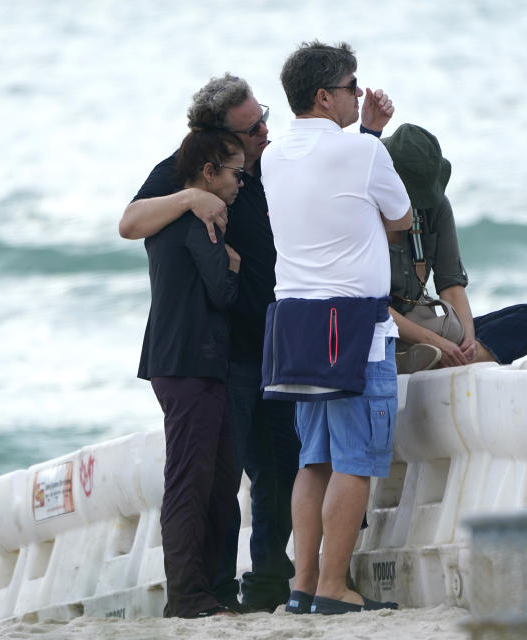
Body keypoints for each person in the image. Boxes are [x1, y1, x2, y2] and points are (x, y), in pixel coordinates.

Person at [120, 73, 395, 612]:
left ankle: (273, 579)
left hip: (282, 338)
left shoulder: (271, 165)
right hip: (231, 349)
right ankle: (215, 589)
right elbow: (130, 222)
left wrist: (367, 132)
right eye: (252, 128)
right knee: (231, 474)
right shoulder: (190, 173)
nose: (266, 132)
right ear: (216, 142)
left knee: (282, 461)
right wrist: (190, 197)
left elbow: (339, 189)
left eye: (265, 117)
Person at [259, 41, 412, 615]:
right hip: (354, 328)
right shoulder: (363, 155)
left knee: (313, 460)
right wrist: (370, 139)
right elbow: (398, 218)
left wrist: (363, 135)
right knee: (356, 461)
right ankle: (333, 587)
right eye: (352, 86)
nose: (358, 93)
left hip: (295, 324)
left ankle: (303, 584)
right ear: (324, 96)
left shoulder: (272, 157)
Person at [133, 127, 243, 618]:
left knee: (214, 477)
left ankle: (203, 591)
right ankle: (187, 596)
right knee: (190, 480)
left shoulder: (167, 214)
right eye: (236, 173)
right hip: (191, 361)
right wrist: (232, 265)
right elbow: (222, 293)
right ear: (208, 172)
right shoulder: (197, 222)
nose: (242, 181)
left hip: (176, 359)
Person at [381, 124, 527, 373]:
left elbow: (451, 287)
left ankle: (442, 361)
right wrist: (432, 340)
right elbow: (370, 308)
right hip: (380, 326)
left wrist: (468, 342)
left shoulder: (435, 206)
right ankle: (423, 358)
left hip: (424, 324)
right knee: (369, 326)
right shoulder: (364, 211)